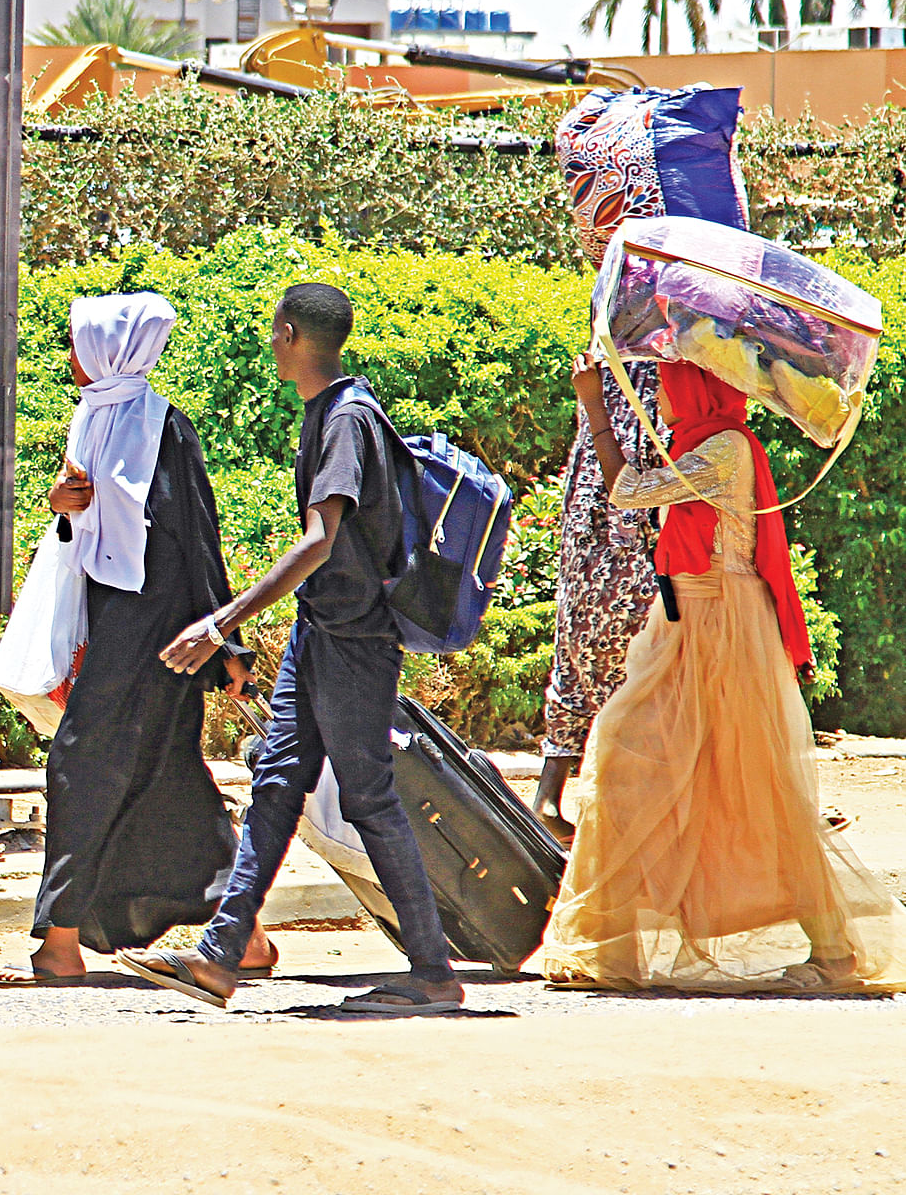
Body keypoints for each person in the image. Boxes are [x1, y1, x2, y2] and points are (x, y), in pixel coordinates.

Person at [118, 282, 465, 1015]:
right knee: (276, 783)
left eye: (271, 334)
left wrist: (221, 622)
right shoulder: (329, 411)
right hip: (322, 633)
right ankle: (218, 958)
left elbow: (319, 541)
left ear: (287, 335)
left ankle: (434, 972)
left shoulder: (346, 419)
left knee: (368, 795)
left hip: (353, 640)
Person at [541, 356, 906, 992]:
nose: (669, 397)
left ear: (701, 389)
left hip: (720, 627)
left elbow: (627, 491)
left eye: (679, 384)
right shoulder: (699, 444)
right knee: (643, 770)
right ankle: (611, 950)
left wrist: (595, 404)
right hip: (688, 620)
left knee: (751, 788)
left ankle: (835, 954)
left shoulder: (726, 448)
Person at [0, 293, 273, 987]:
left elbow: (196, 542)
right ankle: (247, 936)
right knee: (167, 776)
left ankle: (58, 945)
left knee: (81, 768)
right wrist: (62, 509)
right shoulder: (97, 418)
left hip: (156, 635)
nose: (73, 360)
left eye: (81, 346)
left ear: (114, 352)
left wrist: (223, 645)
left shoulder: (165, 428)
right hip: (116, 624)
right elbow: (83, 532)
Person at [536, 362, 663, 844]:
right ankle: (619, 813)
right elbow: (630, 486)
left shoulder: (604, 361)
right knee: (633, 670)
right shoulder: (653, 378)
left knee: (572, 653)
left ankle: (550, 792)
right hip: (623, 535)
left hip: (587, 529)